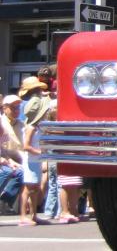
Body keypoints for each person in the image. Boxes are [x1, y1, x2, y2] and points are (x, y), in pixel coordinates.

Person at [19, 95, 53, 226]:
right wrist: (40, 152)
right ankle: (23, 216)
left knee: (35, 188)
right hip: (30, 161)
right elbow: (26, 146)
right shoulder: (31, 128)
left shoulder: (37, 127)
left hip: (36, 161)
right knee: (28, 188)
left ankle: (33, 215)